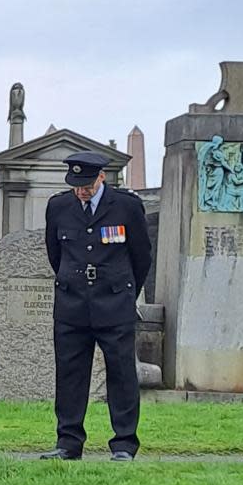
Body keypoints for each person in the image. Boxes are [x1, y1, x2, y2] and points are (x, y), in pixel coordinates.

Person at [41, 151, 152, 462]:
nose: (82, 191)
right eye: (77, 186)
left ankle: (124, 444)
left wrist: (125, 290)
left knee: (121, 374)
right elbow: (55, 253)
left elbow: (141, 255)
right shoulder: (59, 206)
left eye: (87, 185)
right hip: (72, 305)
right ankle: (68, 442)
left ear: (102, 177)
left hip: (114, 303)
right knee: (70, 375)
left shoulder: (126, 206)